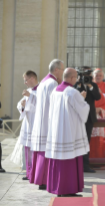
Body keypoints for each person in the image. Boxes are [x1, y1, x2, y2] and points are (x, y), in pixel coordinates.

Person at [46, 68, 90, 197]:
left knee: (59, 159)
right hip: (69, 131)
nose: (76, 79)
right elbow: (83, 110)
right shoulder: (72, 92)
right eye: (76, 77)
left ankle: (58, 188)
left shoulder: (55, 91)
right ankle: (67, 189)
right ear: (72, 78)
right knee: (69, 159)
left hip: (56, 130)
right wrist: (82, 98)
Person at [30, 59, 64, 190]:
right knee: (46, 153)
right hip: (48, 123)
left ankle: (40, 179)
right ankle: (44, 180)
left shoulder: (43, 82)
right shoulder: (53, 83)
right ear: (56, 70)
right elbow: (55, 104)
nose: (62, 72)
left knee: (41, 152)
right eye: (61, 70)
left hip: (40, 122)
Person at [74, 66, 101, 173]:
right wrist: (79, 85)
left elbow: (98, 97)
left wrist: (90, 86)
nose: (85, 78)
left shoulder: (93, 85)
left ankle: (85, 165)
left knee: (86, 141)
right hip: (78, 117)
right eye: (83, 76)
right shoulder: (77, 85)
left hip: (89, 118)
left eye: (87, 76)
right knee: (77, 141)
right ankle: (76, 164)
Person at [17, 70, 38, 180]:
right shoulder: (29, 90)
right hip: (28, 124)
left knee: (36, 150)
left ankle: (36, 173)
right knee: (28, 150)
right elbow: (19, 105)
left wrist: (31, 97)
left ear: (32, 78)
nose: (25, 82)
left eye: (26, 80)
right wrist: (22, 105)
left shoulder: (41, 90)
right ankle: (29, 173)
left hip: (37, 125)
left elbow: (43, 105)